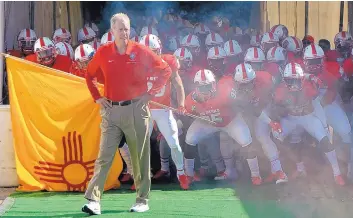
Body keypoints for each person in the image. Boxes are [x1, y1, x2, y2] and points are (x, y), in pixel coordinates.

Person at [82, 13, 172, 215]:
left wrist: (150, 94)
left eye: (126, 29)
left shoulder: (140, 50)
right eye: (120, 29)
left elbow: (165, 70)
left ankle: (142, 199)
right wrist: (97, 97)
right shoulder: (104, 52)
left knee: (139, 156)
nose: (124, 33)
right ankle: (94, 200)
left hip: (136, 110)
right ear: (112, 31)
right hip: (111, 110)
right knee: (104, 156)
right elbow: (89, 75)